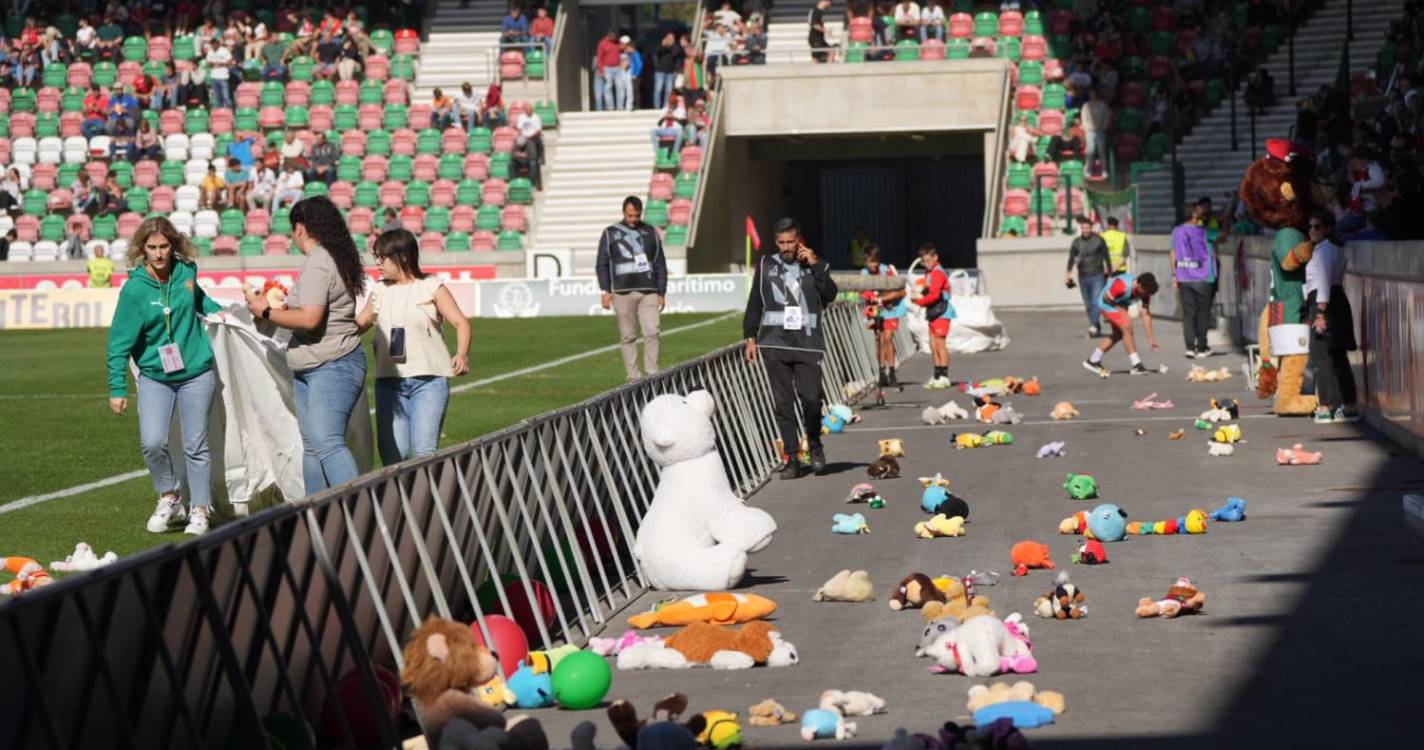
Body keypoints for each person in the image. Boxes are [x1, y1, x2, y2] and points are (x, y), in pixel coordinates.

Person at [242, 197, 368, 495]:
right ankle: (317, 513)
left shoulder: (318, 264)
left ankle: (359, 510)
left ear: (300, 228)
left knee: (328, 444)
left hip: (331, 364)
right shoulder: (332, 257)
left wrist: (265, 311)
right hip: (317, 363)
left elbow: (310, 318)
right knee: (313, 447)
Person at [107, 217, 223, 535]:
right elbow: (118, 343)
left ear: (173, 245)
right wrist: (117, 387)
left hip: (196, 372)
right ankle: (170, 495)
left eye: (164, 246)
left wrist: (217, 310)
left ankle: (200, 509)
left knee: (195, 444)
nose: (159, 254)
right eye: (152, 247)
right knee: (153, 442)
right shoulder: (134, 290)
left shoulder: (186, 272)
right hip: (156, 376)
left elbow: (198, 298)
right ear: (142, 249)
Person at [354, 229, 471, 464]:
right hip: (389, 384)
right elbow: (359, 324)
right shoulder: (379, 290)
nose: (377, 262)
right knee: (392, 456)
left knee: (424, 454)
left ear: (404, 256)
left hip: (429, 383)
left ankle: (426, 490)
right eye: (376, 256)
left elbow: (461, 323)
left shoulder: (432, 286)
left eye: (382, 257)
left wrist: (461, 354)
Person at [743, 218, 839, 479]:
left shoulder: (816, 265)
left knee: (812, 399)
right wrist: (750, 336)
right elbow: (755, 302)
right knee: (783, 404)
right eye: (781, 242)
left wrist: (815, 264)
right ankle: (792, 458)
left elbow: (830, 294)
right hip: (774, 342)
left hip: (808, 344)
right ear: (776, 242)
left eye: (790, 242)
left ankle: (815, 444)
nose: (786, 247)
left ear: (799, 240)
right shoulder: (766, 264)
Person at [596, 196, 668, 383]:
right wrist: (605, 290)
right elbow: (602, 263)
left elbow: (660, 262)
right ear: (624, 212)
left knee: (652, 332)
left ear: (641, 213)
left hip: (648, 291)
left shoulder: (650, 232)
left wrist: (661, 292)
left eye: (636, 216)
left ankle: (652, 374)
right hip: (622, 292)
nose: (633, 219)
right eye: (630, 216)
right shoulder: (610, 233)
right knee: (628, 336)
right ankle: (634, 377)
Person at [1303, 211, 1359, 424]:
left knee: (1322, 357)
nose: (1312, 231)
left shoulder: (1324, 251)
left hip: (1323, 302)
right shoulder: (1333, 250)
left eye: (1317, 226)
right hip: (1335, 300)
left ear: (1327, 229)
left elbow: (1324, 283)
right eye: (1310, 227)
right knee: (1338, 356)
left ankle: (1326, 407)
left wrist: (1319, 313)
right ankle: (1348, 406)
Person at [1083, 272, 1161, 376]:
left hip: (1119, 304)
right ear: (1138, 284)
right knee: (1127, 327)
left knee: (1119, 334)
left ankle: (1093, 360)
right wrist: (1121, 310)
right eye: (1145, 292)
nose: (1145, 295)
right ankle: (1137, 365)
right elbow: (1106, 298)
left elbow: (1146, 314)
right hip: (1106, 304)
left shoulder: (1145, 291)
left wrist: (1151, 338)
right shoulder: (1122, 285)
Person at [1172, 199, 1217, 358]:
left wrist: (1174, 274)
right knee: (1203, 313)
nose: (1201, 213)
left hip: (1184, 276)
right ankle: (1202, 347)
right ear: (1193, 215)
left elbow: (1173, 253)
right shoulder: (1203, 231)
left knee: (1188, 314)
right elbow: (1222, 236)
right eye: (1198, 211)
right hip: (1202, 276)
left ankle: (1190, 347)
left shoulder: (1176, 231)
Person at [862, 245, 907, 387]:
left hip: (891, 309)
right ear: (866, 262)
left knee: (888, 338)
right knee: (879, 340)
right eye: (871, 262)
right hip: (876, 310)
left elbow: (899, 290)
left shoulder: (887, 270)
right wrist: (872, 298)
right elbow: (864, 292)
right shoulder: (864, 274)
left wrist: (883, 298)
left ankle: (892, 372)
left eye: (876, 261)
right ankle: (882, 372)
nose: (874, 265)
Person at [911, 243, 955, 388]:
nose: (926, 264)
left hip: (941, 311)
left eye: (929, 260)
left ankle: (944, 376)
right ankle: (937, 375)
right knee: (932, 345)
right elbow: (928, 291)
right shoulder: (928, 273)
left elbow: (935, 295)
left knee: (940, 344)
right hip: (932, 311)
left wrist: (919, 301)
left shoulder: (937, 273)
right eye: (924, 262)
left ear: (935, 257)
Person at [1065, 218, 1110, 338]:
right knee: (1088, 305)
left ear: (1091, 228)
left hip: (1097, 275)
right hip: (1083, 276)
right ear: (1081, 229)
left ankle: (1093, 326)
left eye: (1087, 228)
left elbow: (1106, 257)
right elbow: (1071, 258)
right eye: (1083, 228)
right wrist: (1068, 273)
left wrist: (1109, 271)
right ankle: (1096, 326)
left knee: (1095, 302)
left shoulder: (1099, 240)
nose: (1085, 230)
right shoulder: (1076, 242)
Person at [596, 30, 624, 111]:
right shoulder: (602, 43)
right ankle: (610, 107)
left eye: (615, 38)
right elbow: (599, 57)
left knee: (620, 86)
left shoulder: (617, 42)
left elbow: (622, 50)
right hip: (607, 68)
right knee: (608, 87)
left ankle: (620, 106)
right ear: (608, 36)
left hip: (618, 67)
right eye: (613, 38)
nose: (614, 39)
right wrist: (601, 71)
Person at [652, 32, 681, 110]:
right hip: (660, 71)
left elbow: (675, 53)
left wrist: (671, 45)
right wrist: (663, 45)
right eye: (668, 38)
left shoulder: (676, 47)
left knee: (668, 91)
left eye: (672, 38)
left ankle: (666, 106)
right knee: (658, 90)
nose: (670, 39)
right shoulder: (661, 46)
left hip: (670, 72)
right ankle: (657, 107)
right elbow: (657, 51)